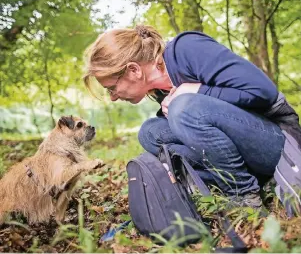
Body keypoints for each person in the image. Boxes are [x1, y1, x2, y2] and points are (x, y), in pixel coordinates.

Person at [83, 25, 289, 210]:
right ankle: (200, 182)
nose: (112, 97)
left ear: (134, 70)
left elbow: (265, 92)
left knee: (182, 108)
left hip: (281, 145)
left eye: (112, 88)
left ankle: (244, 196)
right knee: (150, 132)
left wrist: (197, 91)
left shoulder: (187, 49)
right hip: (247, 157)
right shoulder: (159, 90)